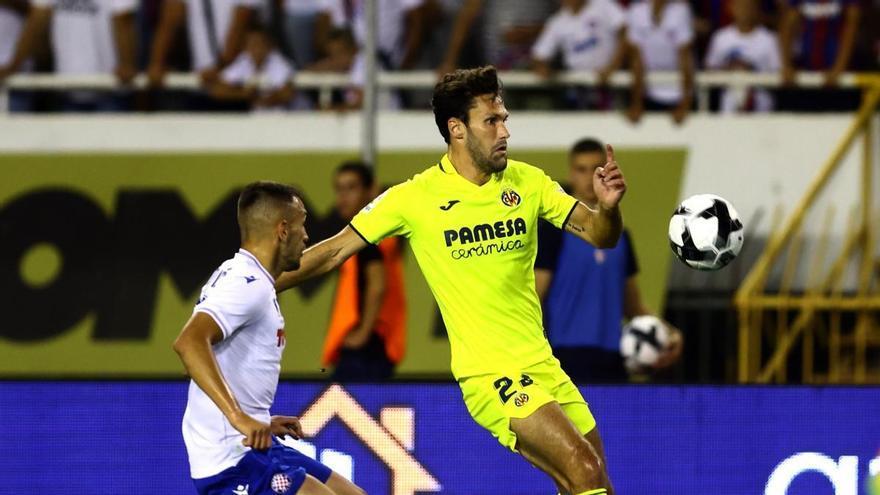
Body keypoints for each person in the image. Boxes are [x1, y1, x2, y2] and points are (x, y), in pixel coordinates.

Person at [277, 66, 625, 495]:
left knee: (593, 484)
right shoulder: (413, 197)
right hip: (490, 374)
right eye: (492, 121)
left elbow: (599, 235)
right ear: (457, 129)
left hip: (544, 366)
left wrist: (608, 208)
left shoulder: (529, 182)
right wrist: (256, 280)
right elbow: (331, 251)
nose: (505, 132)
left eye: (505, 119)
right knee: (584, 468)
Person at [172, 181, 365, 495]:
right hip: (231, 460)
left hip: (255, 446)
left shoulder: (249, 278)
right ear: (283, 229)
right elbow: (189, 345)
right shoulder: (246, 285)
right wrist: (238, 418)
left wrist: (257, 417)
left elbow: (207, 357)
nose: (306, 235)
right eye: (303, 225)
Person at [535, 138, 683, 383]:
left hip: (614, 359)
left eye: (595, 169)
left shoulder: (621, 237)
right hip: (565, 359)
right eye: (581, 169)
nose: (587, 178)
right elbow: (535, 297)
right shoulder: (554, 231)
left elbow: (633, 307)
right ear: (571, 174)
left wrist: (669, 333)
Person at [323, 162, 406, 382]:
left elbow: (377, 284)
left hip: (366, 350)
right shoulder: (375, 234)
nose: (343, 197)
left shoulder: (367, 236)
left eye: (351, 188)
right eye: (339, 189)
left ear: (371, 191)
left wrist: (362, 334)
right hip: (373, 346)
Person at [0, 0, 137, 111]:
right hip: (72, 86)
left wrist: (127, 64)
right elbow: (39, 18)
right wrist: (14, 64)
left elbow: (123, 20)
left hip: (107, 85)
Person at [530, 0, 629, 110]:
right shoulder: (557, 21)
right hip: (580, 87)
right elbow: (539, 55)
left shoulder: (603, 5)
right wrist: (543, 67)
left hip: (611, 83)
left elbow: (625, 34)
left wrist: (612, 67)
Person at [147, 0, 261, 88]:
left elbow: (241, 24)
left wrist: (220, 68)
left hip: (239, 79)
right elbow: (171, 18)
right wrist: (156, 63)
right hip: (201, 79)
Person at [704, 0, 781, 113]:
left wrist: (751, 70)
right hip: (729, 109)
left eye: (749, 6)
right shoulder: (721, 38)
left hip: (761, 109)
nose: (745, 11)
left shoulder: (769, 39)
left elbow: (778, 75)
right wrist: (729, 69)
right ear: (731, 8)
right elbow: (708, 71)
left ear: (757, 9)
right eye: (740, 6)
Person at [625, 0, 696, 124]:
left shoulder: (680, 11)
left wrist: (685, 103)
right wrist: (636, 103)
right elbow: (637, 60)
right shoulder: (637, 11)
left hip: (677, 91)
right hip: (650, 93)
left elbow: (686, 59)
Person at [210, 26, 297, 111]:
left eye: (260, 43)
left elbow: (287, 94)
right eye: (252, 44)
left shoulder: (278, 61)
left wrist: (262, 100)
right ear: (245, 47)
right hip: (259, 116)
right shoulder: (244, 60)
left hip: (294, 116)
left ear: (269, 46)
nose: (256, 48)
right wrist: (243, 94)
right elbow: (217, 90)